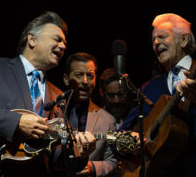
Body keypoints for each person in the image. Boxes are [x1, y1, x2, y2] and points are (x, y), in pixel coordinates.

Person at [0, 11, 96, 177]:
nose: (63, 46)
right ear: (32, 39)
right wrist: (16, 122)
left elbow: (56, 158)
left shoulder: (58, 95)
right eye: (57, 39)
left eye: (64, 42)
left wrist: (81, 153)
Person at [119, 13, 196, 177]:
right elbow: (123, 132)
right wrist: (129, 141)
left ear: (183, 40)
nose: (155, 43)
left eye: (162, 36)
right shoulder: (148, 88)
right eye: (153, 39)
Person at [62, 52, 120, 177]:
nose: (85, 81)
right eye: (79, 75)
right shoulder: (53, 110)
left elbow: (113, 163)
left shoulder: (107, 120)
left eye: (90, 75)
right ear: (66, 79)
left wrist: (92, 168)